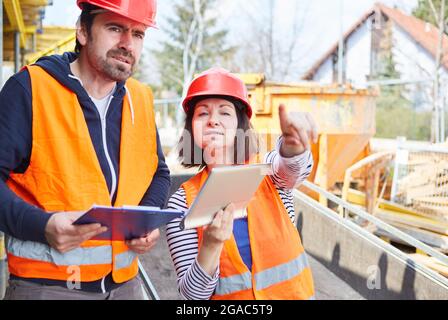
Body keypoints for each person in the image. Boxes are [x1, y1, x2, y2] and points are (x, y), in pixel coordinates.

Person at [0, 0, 170, 300]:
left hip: (124, 286)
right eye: (115, 28)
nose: (127, 44)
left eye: (139, 33)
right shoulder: (30, 89)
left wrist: (145, 220)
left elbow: (158, 172)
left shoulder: (140, 99)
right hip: (48, 286)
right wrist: (43, 226)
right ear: (82, 30)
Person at [166, 68, 317, 300]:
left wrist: (294, 146)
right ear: (191, 127)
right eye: (202, 113)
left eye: (224, 113)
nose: (213, 120)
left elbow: (292, 170)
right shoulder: (181, 203)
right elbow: (193, 296)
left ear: (240, 125)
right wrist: (211, 245)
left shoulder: (267, 172)